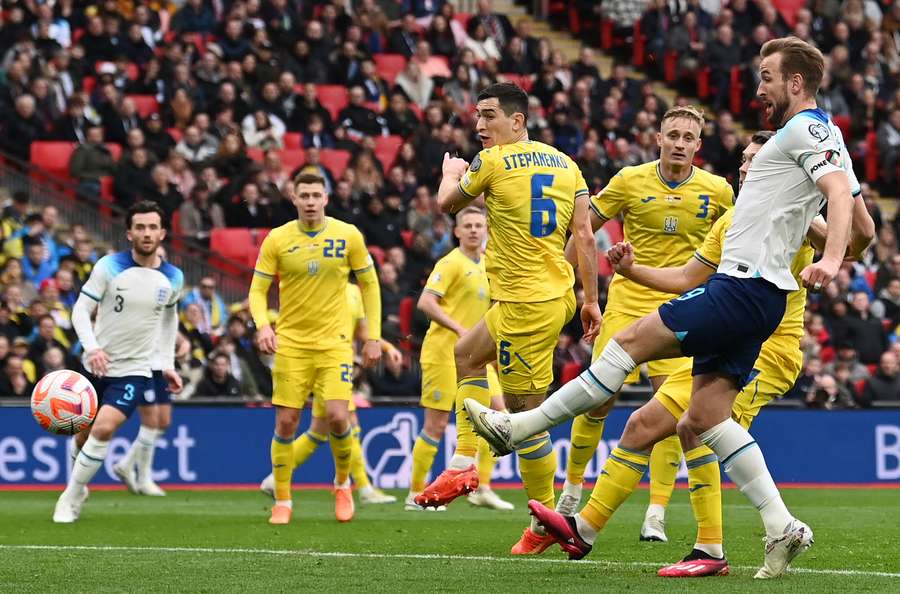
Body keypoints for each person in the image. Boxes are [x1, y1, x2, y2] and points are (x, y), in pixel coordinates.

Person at [467, 37, 856, 577]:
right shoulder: (825, 136)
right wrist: (627, 270)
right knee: (702, 418)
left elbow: (838, 194)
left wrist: (832, 259)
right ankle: (780, 525)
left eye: (766, 76)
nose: (758, 87)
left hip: (742, 291)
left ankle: (520, 427)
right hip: (756, 298)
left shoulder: (801, 131)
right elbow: (854, 215)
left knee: (628, 344)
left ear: (795, 83)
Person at [417, 82, 602, 556]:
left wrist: (450, 171)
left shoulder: (493, 161)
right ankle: (463, 461)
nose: (480, 125)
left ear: (517, 121)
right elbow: (584, 235)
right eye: (477, 115)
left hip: (525, 306)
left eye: (490, 115)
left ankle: (545, 521)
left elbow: (447, 204)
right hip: (551, 295)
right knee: (466, 353)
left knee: (525, 419)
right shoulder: (568, 165)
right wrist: (590, 300)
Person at [554, 106, 735, 544]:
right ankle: (572, 490)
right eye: (672, 134)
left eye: (687, 137)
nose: (679, 142)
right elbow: (583, 230)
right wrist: (575, 286)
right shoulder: (629, 180)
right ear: (657, 138)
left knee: (673, 411)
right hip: (628, 302)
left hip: (683, 306)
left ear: (698, 145)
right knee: (598, 397)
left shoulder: (718, 191)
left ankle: (656, 510)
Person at [249, 173, 383, 525]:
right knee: (287, 421)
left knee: (339, 417)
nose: (310, 201)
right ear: (293, 198)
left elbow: (369, 283)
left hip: (335, 345)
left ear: (326, 197)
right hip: (292, 345)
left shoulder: (348, 234)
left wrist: (373, 336)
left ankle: (342, 484)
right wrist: (263, 325)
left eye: (315, 194)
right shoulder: (277, 239)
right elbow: (257, 291)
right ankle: (283, 500)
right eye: (303, 195)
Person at [53, 201, 184, 523]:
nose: (146, 233)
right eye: (140, 227)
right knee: (82, 435)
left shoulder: (173, 277)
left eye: (153, 227)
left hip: (135, 371)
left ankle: (70, 497)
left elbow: (170, 320)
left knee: (104, 428)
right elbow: (80, 311)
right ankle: (79, 486)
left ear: (163, 233)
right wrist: (93, 348)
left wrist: (166, 364)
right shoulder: (109, 266)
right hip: (95, 366)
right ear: (129, 233)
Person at [407, 206, 513, 512]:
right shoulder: (451, 263)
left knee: (498, 419)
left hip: (476, 357)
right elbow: (425, 302)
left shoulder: (489, 264)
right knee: (436, 425)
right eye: (467, 225)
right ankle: (415, 493)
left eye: (479, 225)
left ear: (486, 229)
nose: (474, 230)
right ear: (456, 231)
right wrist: (460, 329)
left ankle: (482, 487)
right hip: (443, 353)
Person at [258, 282, 399, 506]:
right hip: (321, 364)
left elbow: (362, 332)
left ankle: (274, 479)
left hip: (338, 366)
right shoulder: (317, 285)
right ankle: (363, 487)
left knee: (319, 432)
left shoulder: (354, 292)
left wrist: (387, 347)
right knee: (348, 422)